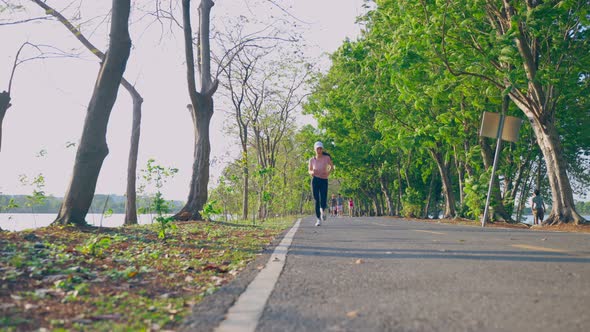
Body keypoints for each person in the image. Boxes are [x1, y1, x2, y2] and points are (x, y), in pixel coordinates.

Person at [308, 141, 334, 226]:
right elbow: (309, 170)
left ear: (322, 149)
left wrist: (328, 172)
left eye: (320, 148)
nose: (319, 150)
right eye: (317, 148)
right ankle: (318, 219)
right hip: (315, 180)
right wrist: (311, 172)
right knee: (316, 200)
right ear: (315, 149)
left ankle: (322, 210)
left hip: (324, 180)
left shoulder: (326, 158)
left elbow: (331, 166)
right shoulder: (312, 160)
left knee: (323, 198)